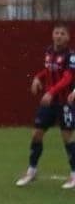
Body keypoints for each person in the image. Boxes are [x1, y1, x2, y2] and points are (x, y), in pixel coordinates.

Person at [15, 23, 75, 189]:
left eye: (62, 33)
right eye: (56, 33)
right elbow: (47, 70)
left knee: (67, 137)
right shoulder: (49, 52)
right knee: (36, 134)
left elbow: (68, 78)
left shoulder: (70, 56)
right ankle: (32, 171)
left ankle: (74, 174)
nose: (59, 36)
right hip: (49, 103)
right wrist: (37, 78)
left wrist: (51, 92)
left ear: (68, 37)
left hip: (64, 103)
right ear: (52, 35)